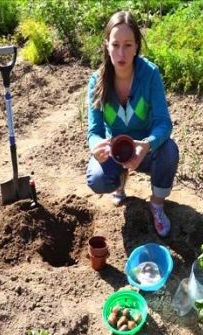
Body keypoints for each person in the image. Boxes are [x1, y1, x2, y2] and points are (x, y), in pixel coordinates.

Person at [86, 11, 179, 238]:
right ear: (106, 45)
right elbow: (95, 131)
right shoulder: (97, 81)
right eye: (115, 44)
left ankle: (156, 205)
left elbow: (163, 122)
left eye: (128, 45)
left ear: (137, 45)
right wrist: (97, 147)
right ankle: (119, 183)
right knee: (97, 179)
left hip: (145, 151)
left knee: (169, 150)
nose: (121, 53)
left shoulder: (149, 75)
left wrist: (147, 145)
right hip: (115, 151)